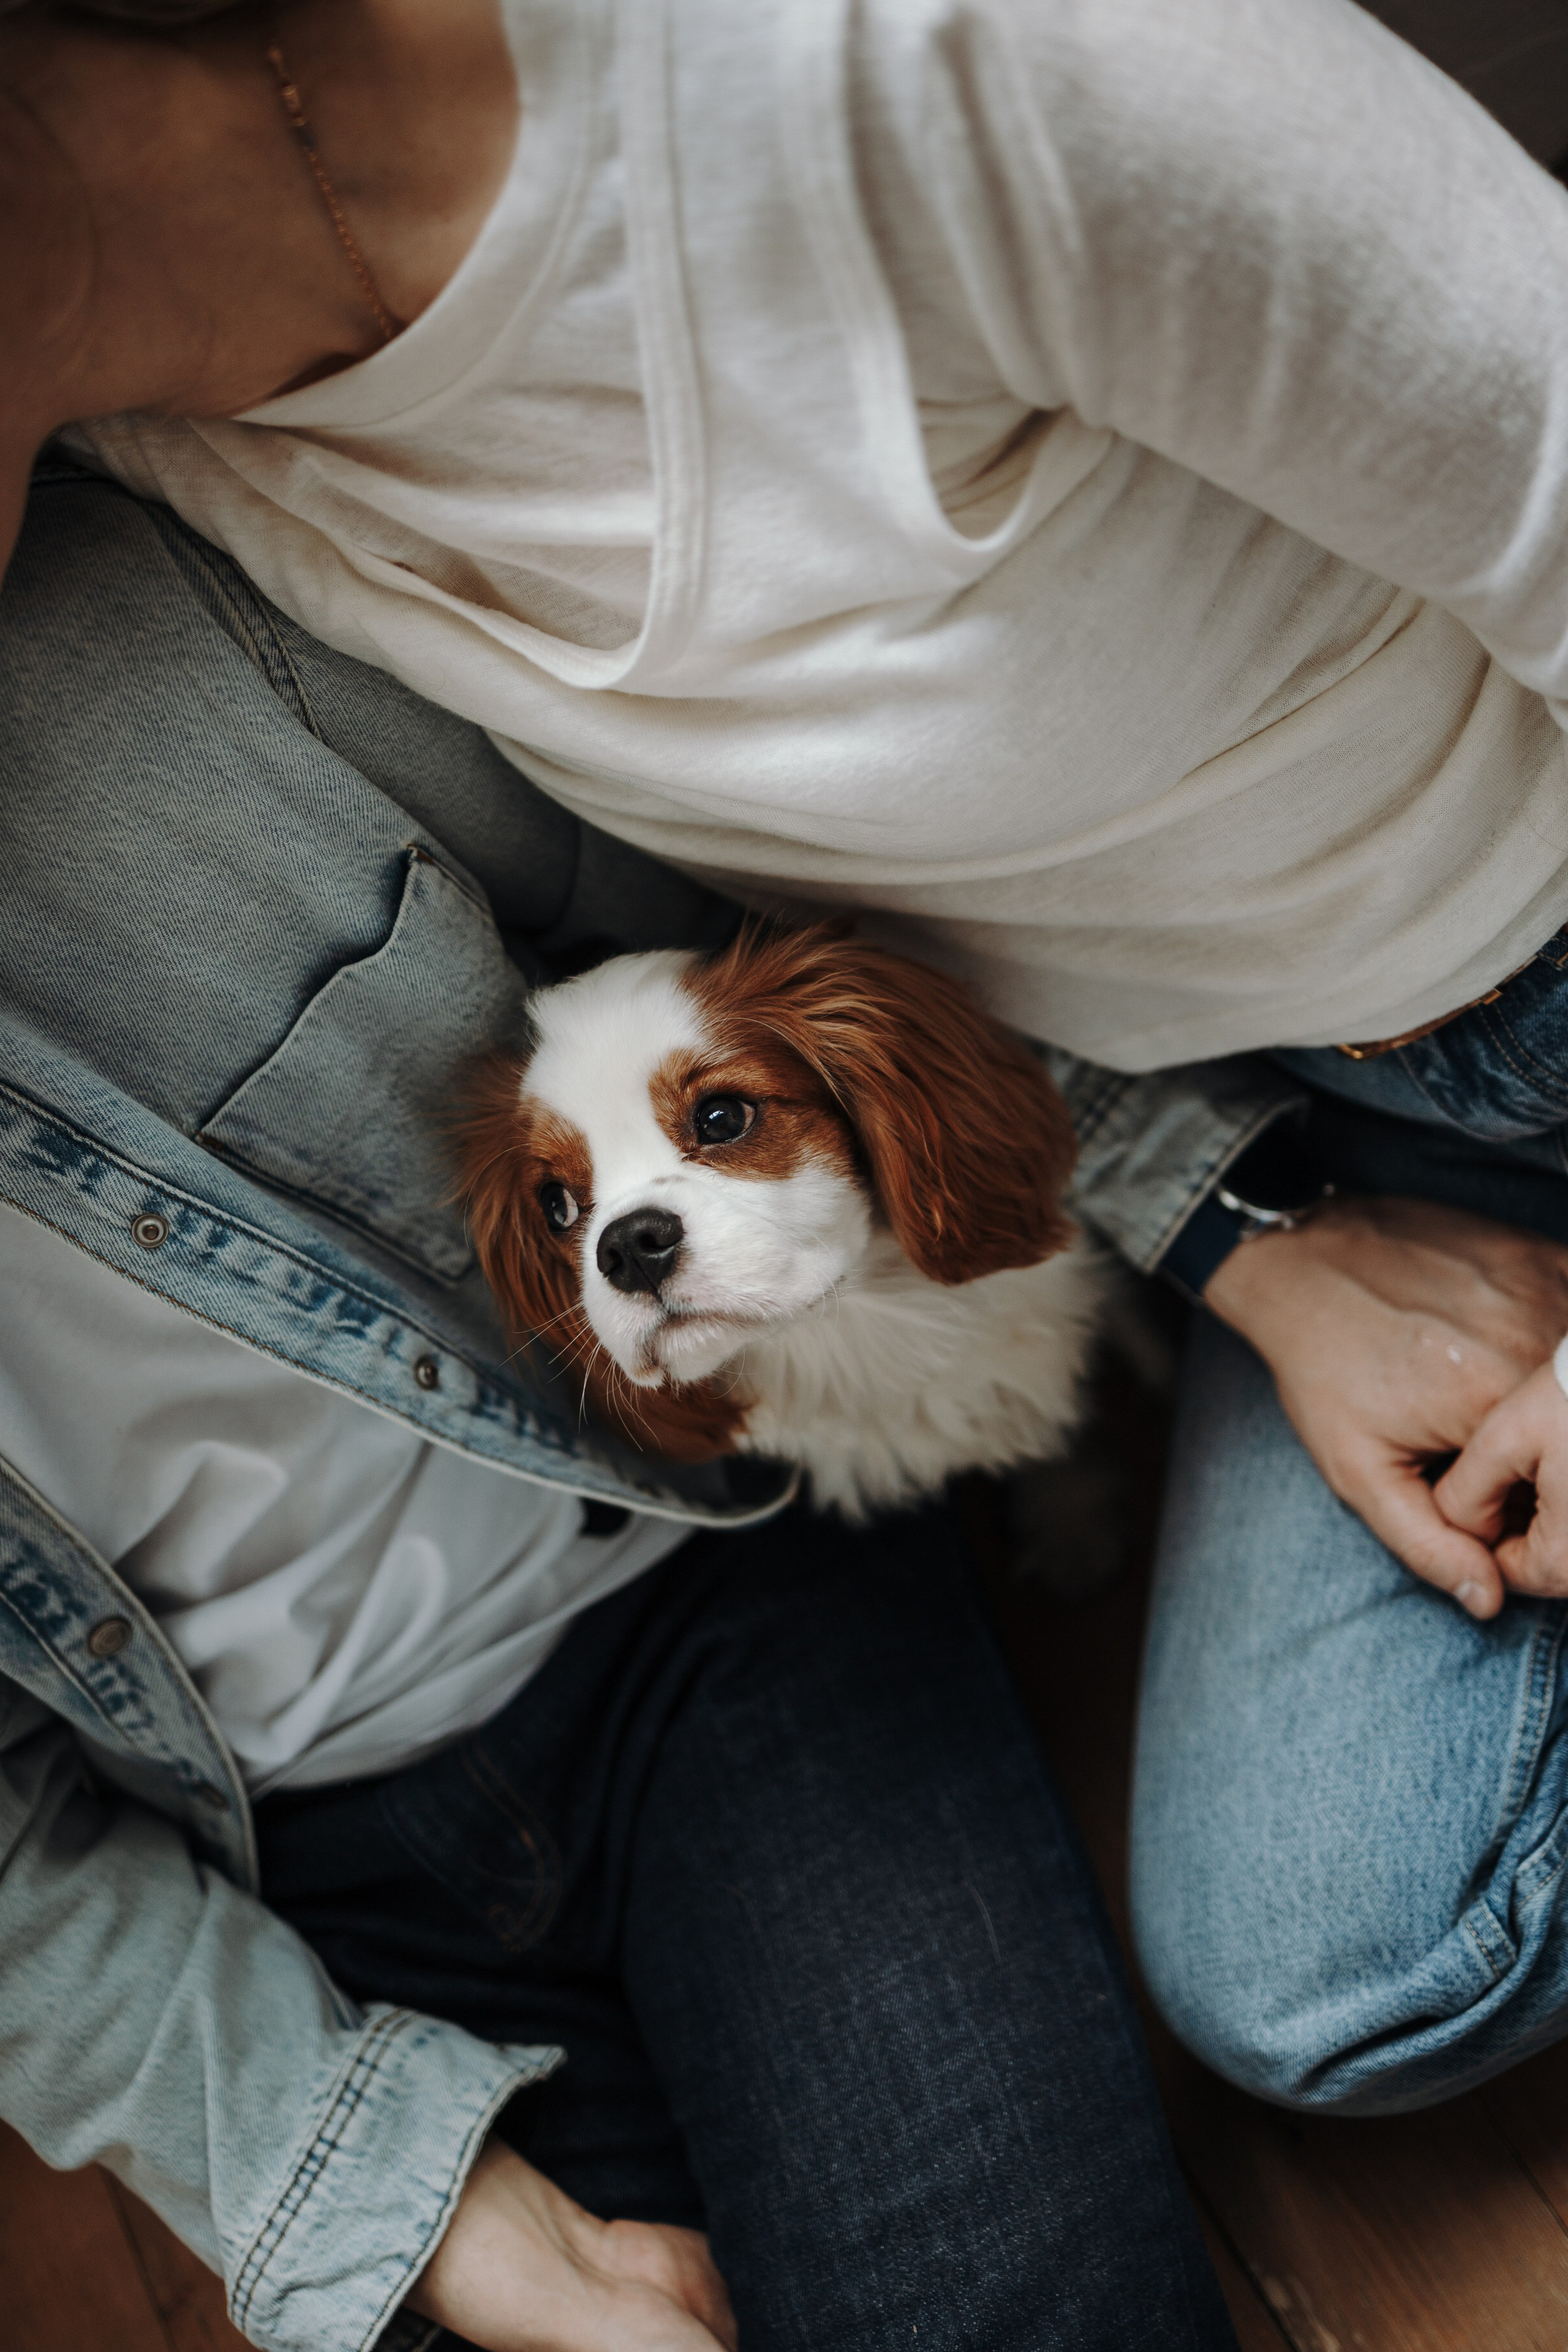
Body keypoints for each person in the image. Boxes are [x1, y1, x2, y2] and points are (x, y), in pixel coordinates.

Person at [3, 0, 1568, 2321]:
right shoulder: (214, 476)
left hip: (1516, 961)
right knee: (1338, 1970)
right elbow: (779, 956)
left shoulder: (901, 84)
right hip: (1324, 1127)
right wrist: (1255, 1230)